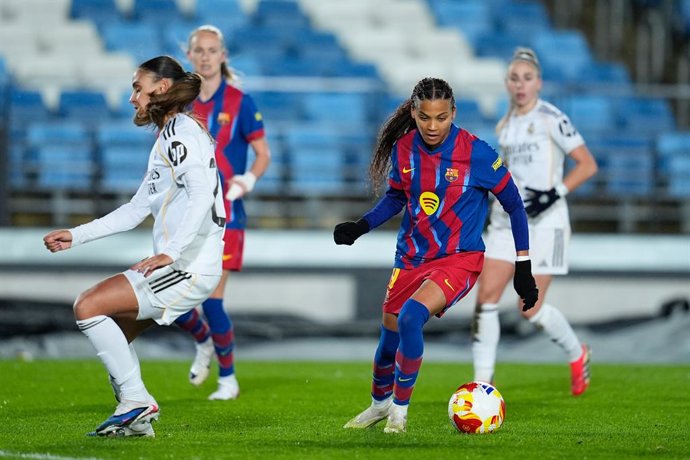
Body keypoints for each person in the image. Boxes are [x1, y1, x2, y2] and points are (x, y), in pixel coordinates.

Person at [334, 77, 539, 433]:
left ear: (453, 113)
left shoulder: (476, 152)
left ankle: (399, 412)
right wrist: (361, 225)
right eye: (426, 117)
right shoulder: (404, 149)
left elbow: (515, 205)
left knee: (412, 318)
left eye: (441, 118)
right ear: (413, 113)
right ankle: (379, 405)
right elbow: (398, 196)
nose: (433, 126)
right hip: (411, 257)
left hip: (460, 257)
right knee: (388, 342)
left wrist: (524, 265)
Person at [43, 56, 226, 437]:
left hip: (186, 268)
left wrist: (170, 253)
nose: (132, 98)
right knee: (114, 332)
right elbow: (134, 210)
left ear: (161, 88)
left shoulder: (178, 134)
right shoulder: (173, 133)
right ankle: (137, 420)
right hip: (186, 265)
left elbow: (199, 198)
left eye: (137, 88)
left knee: (88, 305)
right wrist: (76, 235)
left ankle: (137, 402)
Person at [471, 47, 598, 396]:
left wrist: (553, 193)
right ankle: (483, 383)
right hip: (506, 222)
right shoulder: (506, 125)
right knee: (485, 298)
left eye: (527, 78)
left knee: (529, 308)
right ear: (507, 84)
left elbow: (587, 164)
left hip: (546, 224)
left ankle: (577, 353)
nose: (520, 85)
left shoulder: (551, 118)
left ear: (538, 82)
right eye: (514, 78)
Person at [171, 25, 271, 401]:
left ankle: (228, 379)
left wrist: (247, 180)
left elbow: (263, 154)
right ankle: (204, 342)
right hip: (187, 213)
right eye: (200, 50)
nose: (206, 56)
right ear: (190, 54)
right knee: (174, 302)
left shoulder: (241, 102)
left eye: (213, 50)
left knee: (212, 300)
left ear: (223, 55)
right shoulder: (181, 102)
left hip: (227, 212)